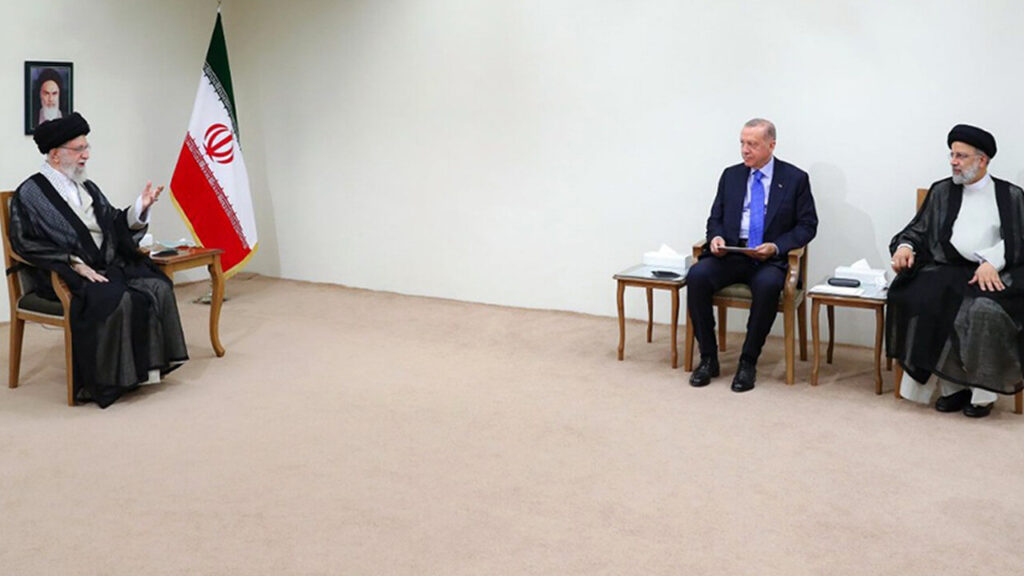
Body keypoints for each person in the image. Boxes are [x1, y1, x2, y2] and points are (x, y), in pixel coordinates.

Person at [9, 113, 188, 408]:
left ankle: (145, 372)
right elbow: (23, 242)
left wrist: (140, 208)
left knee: (158, 286)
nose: (86, 155)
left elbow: (113, 221)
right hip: (62, 274)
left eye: (86, 147)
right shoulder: (31, 193)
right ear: (55, 155)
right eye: (79, 149)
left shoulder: (86, 186)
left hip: (104, 265)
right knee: (117, 298)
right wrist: (72, 262)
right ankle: (107, 381)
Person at [888, 124, 1024, 418]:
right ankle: (953, 389)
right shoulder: (941, 191)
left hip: (994, 273)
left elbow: (1019, 240)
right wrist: (905, 247)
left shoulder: (1010, 195)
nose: (953, 162)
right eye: (952, 155)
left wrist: (991, 262)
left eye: (961, 156)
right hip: (947, 269)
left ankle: (982, 394)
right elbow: (918, 230)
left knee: (983, 310)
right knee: (927, 299)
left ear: (982, 160)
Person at [686, 118, 818, 392]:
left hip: (768, 257)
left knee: (768, 286)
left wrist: (776, 246)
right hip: (732, 253)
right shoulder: (731, 176)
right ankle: (708, 358)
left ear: (771, 145)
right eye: (742, 143)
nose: (745, 150)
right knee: (697, 276)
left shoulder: (795, 179)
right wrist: (716, 237)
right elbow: (715, 218)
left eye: (752, 144)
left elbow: (807, 226)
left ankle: (748, 362)